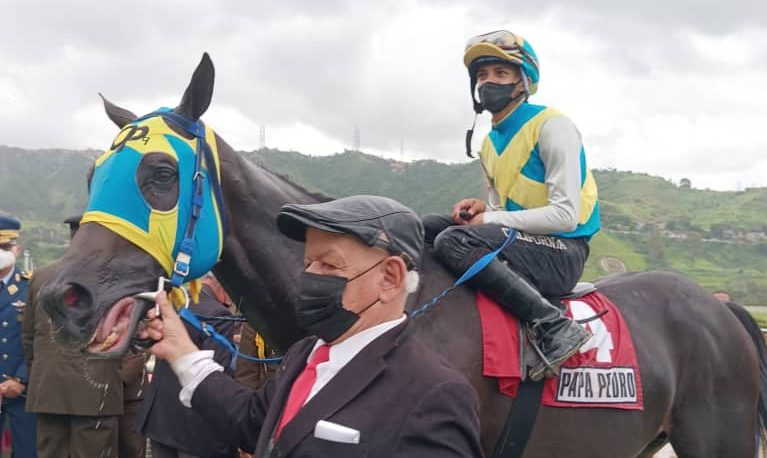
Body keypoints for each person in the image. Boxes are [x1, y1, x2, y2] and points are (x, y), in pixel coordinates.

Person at [140, 195, 483, 457]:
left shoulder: (434, 394)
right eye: (308, 264)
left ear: (390, 278)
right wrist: (180, 349)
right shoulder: (304, 354)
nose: (309, 277)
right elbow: (253, 422)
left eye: (329, 265)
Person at [424, 30, 601, 381]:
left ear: (522, 83)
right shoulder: (489, 144)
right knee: (428, 226)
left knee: (453, 241)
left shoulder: (552, 126)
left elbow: (565, 216)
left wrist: (488, 218)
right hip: (523, 242)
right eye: (482, 76)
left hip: (563, 251)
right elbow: (499, 210)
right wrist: (480, 209)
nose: (489, 83)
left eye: (501, 75)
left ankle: (552, 325)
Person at [24, 216, 127, 458]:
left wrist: (39, 373)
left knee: (50, 452)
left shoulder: (40, 276)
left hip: (48, 388)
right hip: (97, 389)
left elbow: (28, 337)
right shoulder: (116, 279)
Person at [136, 272, 237, 458]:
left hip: (161, 418)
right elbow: (217, 374)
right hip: (196, 428)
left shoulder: (175, 305)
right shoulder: (218, 313)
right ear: (222, 288)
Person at [0, 214, 36, 458]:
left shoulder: (31, 287)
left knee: (27, 453)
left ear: (17, 248)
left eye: (3, 247)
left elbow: (43, 339)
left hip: (21, 392)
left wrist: (21, 379)